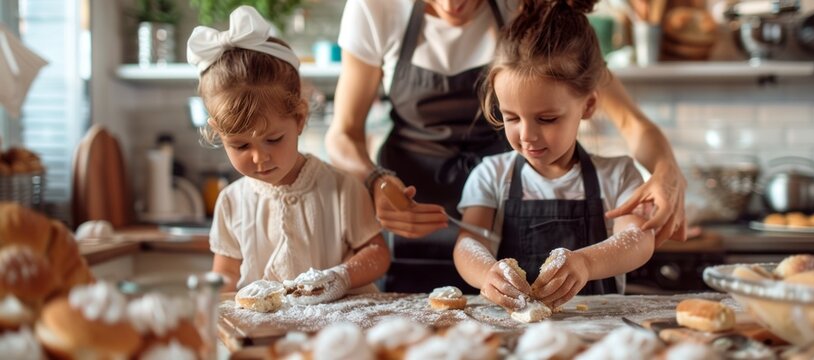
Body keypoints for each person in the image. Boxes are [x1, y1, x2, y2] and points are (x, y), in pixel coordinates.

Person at [328, 0, 682, 293]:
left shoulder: (532, 16)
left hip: (504, 217)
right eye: (510, 117)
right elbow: (343, 133)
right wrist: (375, 179)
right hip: (415, 217)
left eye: (545, 119)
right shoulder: (376, 8)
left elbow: (630, 123)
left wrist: (666, 171)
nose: (452, 4)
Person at [454, 0, 655, 310]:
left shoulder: (617, 175)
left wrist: (586, 263)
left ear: (587, 105)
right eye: (511, 117)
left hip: (600, 334)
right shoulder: (490, 175)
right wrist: (486, 274)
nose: (527, 135)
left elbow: (638, 240)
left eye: (546, 119)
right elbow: (468, 244)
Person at [187, 6, 390, 297]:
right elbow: (226, 276)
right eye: (241, 145)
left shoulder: (341, 189)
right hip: (260, 337)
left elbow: (377, 254)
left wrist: (342, 276)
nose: (259, 157)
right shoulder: (231, 202)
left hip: (333, 335)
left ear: (299, 119)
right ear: (219, 134)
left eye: (274, 139)